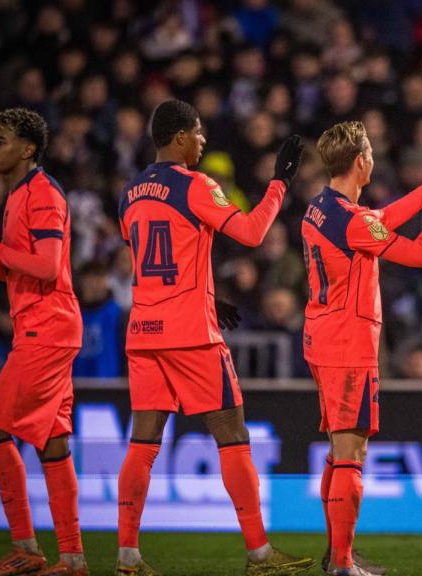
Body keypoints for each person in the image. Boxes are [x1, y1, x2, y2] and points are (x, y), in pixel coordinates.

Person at [114, 99, 313, 576]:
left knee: (142, 443)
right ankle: (260, 554)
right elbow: (251, 232)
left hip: (144, 331)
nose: (203, 141)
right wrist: (280, 182)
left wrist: (208, 294)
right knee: (233, 435)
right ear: (179, 136)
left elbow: (157, 259)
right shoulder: (196, 184)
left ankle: (127, 556)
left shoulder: (129, 194)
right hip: (190, 336)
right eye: (199, 133)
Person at [302, 121, 422, 576]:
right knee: (351, 454)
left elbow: (382, 219)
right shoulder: (354, 222)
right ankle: (342, 564)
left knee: (338, 453)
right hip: (348, 346)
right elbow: (420, 254)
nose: (373, 158)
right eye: (370, 152)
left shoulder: (320, 207)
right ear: (361, 162)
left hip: (321, 338)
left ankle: (337, 556)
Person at [0, 108, 87, 576]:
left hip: (47, 328)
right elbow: (12, 269)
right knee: (53, 444)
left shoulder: (41, 193)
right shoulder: (20, 193)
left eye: (0, 140)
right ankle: (72, 559)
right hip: (49, 325)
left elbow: (45, 266)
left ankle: (26, 550)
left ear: (27, 149)